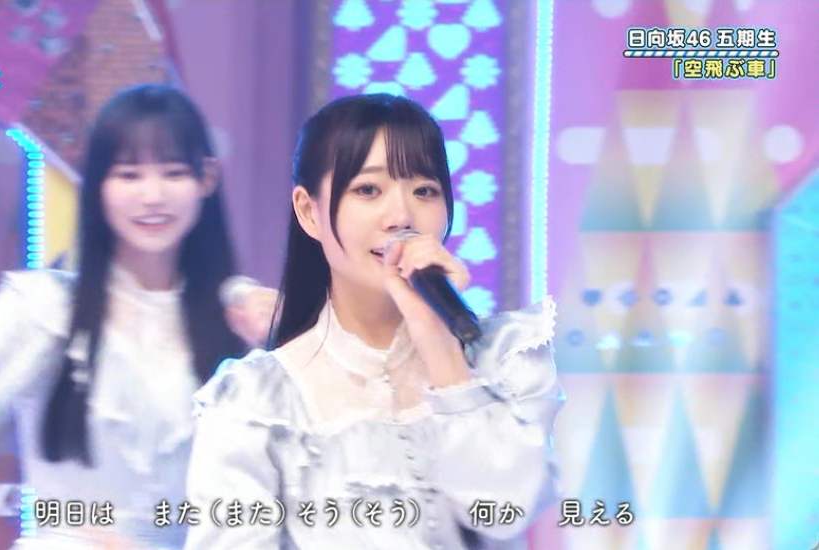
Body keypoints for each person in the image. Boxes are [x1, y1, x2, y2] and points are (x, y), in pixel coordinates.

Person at [0, 84, 275, 549]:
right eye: (129, 175)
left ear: (206, 178)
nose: (152, 196)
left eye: (173, 173)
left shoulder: (240, 319)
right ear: (98, 185)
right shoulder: (44, 309)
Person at [184, 94, 563, 549]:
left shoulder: (507, 358)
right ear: (308, 211)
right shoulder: (253, 402)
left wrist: (438, 344)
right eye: (368, 190)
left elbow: (505, 509)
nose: (401, 216)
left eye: (424, 191)